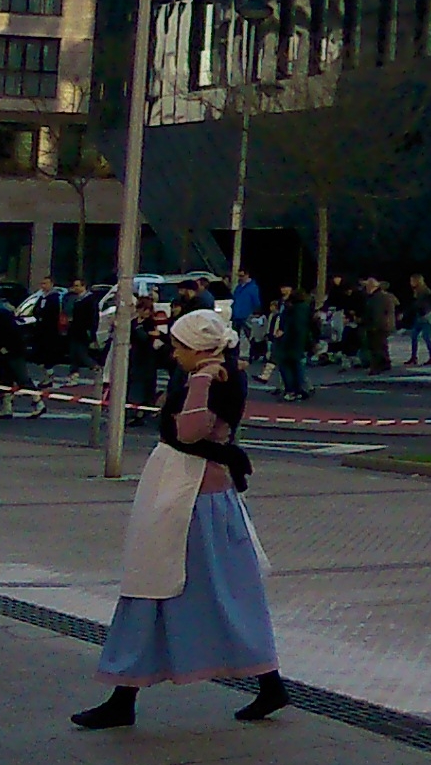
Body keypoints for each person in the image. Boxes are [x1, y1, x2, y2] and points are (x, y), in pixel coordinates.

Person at [75, 308, 286, 729]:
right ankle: (265, 683)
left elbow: (187, 433)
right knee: (196, 589)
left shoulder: (216, 381)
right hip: (180, 492)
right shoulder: (209, 376)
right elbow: (173, 431)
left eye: (179, 347)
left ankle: (127, 695)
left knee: (184, 589)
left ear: (199, 349)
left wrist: (202, 380)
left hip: (194, 500)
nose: (173, 354)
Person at [271, 285, 312, 401]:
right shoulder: (305, 308)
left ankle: (292, 389)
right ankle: (301, 389)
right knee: (297, 365)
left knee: (286, 365)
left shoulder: (291, 309)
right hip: (299, 340)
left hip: (289, 340)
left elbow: (289, 325)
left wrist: (282, 334)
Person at [405, 274, 431, 365]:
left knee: (426, 337)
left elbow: (418, 304)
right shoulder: (417, 291)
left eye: (412, 281)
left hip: (425, 317)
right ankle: (414, 357)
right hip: (420, 316)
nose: (411, 283)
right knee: (414, 336)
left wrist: (405, 313)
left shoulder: (424, 291)